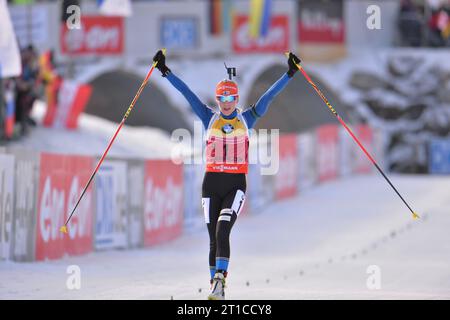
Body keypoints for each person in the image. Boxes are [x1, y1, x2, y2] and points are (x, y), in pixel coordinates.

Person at [152, 50, 301, 300]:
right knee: (213, 237)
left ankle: (221, 279)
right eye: (222, 97)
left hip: (235, 185)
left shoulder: (247, 118)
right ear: (218, 99)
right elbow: (186, 93)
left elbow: (269, 97)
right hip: (211, 184)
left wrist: (289, 73)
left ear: (236, 98)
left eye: (230, 97)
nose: (226, 102)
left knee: (223, 230)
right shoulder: (208, 117)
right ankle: (216, 287)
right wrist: (165, 71)